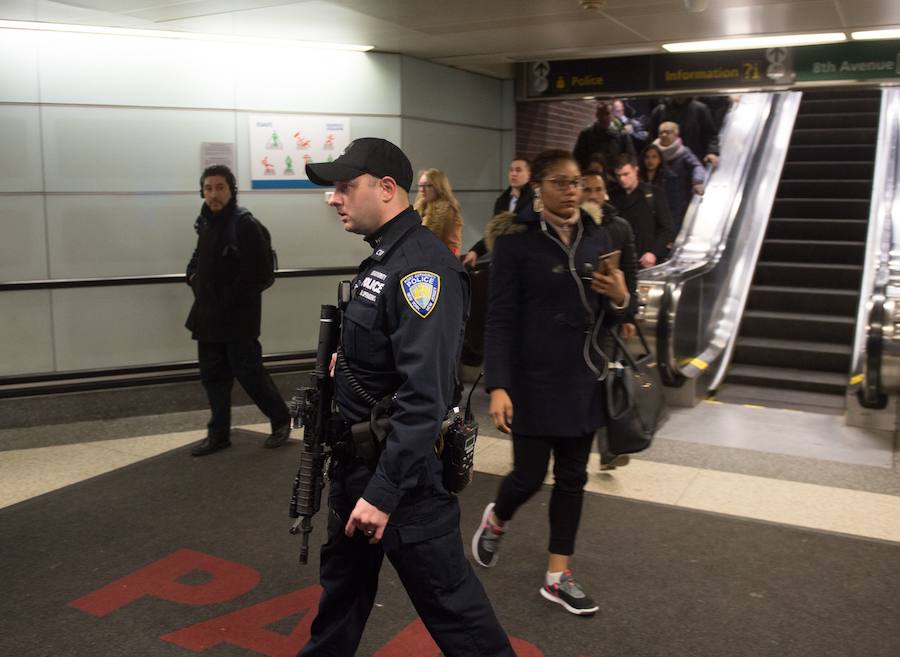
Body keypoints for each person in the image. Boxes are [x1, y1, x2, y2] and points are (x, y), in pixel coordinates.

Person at [299, 138, 515, 657]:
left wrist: (383, 493)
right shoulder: (383, 259)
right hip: (359, 467)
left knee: (455, 612)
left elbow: (426, 396)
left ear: (387, 189)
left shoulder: (423, 270)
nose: (334, 199)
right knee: (341, 599)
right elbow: (389, 360)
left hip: (402, 480)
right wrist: (346, 364)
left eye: (346, 187)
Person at [472, 149, 630, 616]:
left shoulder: (598, 235)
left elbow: (622, 307)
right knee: (527, 475)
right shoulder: (517, 242)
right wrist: (498, 385)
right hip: (533, 381)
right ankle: (497, 519)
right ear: (538, 187)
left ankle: (558, 576)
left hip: (584, 377)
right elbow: (498, 318)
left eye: (577, 182)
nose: (571, 191)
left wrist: (621, 296)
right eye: (560, 183)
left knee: (573, 479)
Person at [185, 165, 291, 456]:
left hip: (237, 319)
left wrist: (228, 296)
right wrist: (192, 276)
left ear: (231, 190)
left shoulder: (244, 224)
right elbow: (197, 259)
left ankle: (280, 419)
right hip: (207, 317)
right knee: (213, 377)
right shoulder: (205, 222)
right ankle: (218, 434)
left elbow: (258, 274)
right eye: (208, 189)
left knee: (249, 373)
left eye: (220, 188)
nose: (214, 194)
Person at [580, 173, 637, 472]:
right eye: (586, 188)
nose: (592, 194)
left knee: (607, 382)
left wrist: (628, 313)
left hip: (609, 318)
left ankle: (609, 449)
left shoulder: (620, 227)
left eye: (598, 189)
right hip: (579, 318)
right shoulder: (571, 226)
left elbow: (630, 271)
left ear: (606, 192)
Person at [462, 157, 532, 267]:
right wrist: (475, 251)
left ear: (529, 174)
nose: (513, 174)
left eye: (518, 170)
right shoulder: (502, 201)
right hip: (503, 259)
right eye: (511, 170)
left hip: (526, 260)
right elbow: (493, 232)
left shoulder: (534, 201)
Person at [610, 155, 673, 269]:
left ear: (636, 170)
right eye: (618, 175)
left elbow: (666, 228)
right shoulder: (612, 196)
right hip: (619, 262)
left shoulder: (654, 193)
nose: (622, 179)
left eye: (626, 174)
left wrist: (653, 252)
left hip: (645, 261)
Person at [651, 122, 706, 236]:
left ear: (676, 134)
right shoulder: (653, 152)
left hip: (678, 197)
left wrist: (697, 181)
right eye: (661, 132)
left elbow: (697, 165)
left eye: (668, 132)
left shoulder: (683, 152)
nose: (664, 135)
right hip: (657, 196)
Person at [649, 96, 720, 168]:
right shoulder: (660, 111)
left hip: (694, 162)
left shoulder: (700, 109)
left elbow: (711, 135)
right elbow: (652, 139)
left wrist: (712, 152)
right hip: (666, 163)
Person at [573, 100, 635, 179]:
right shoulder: (586, 135)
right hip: (592, 179)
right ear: (597, 115)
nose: (604, 118)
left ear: (612, 115)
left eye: (607, 114)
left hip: (615, 182)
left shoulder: (622, 136)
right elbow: (577, 159)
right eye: (601, 114)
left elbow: (630, 159)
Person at [414, 168, 464, 256]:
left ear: (439, 187)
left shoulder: (448, 211)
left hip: (437, 264)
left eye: (428, 186)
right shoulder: (417, 209)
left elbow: (453, 246)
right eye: (420, 186)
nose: (422, 190)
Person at [639, 143, 681, 237]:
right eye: (647, 157)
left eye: (654, 157)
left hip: (662, 227)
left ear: (660, 159)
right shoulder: (638, 178)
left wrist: (672, 235)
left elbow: (674, 208)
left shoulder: (670, 178)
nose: (650, 160)